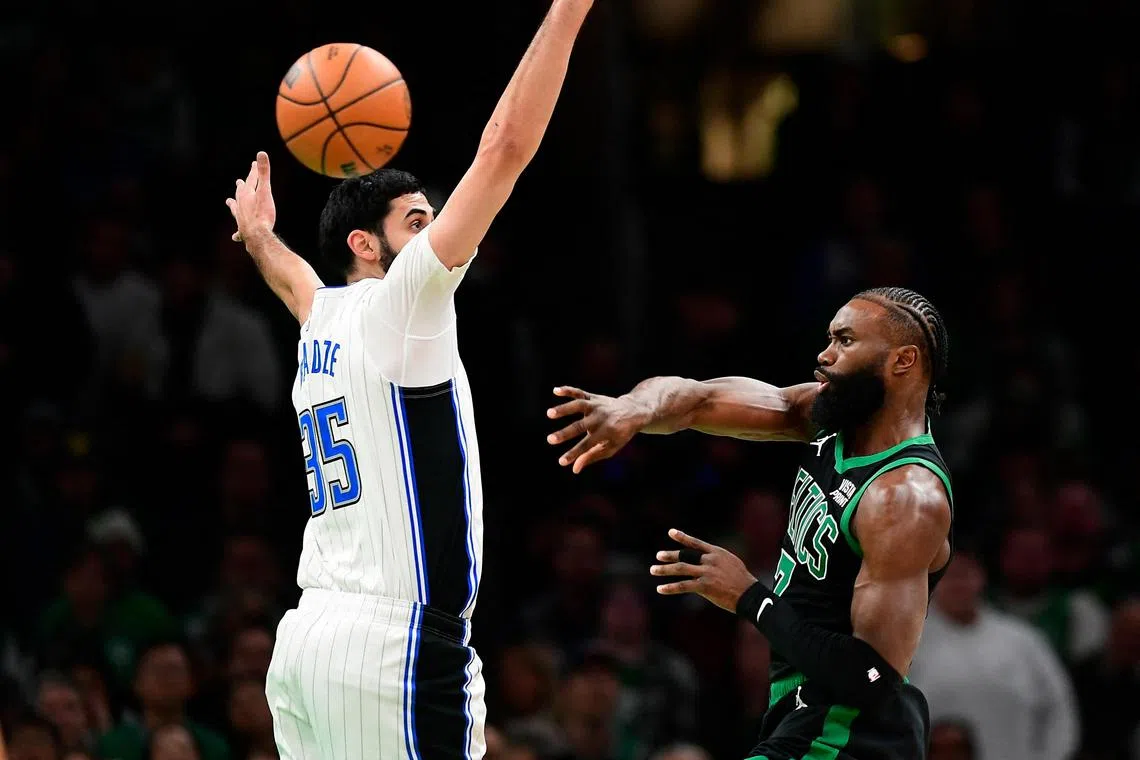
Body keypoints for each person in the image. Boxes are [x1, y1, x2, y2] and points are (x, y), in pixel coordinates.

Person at [223, 2, 596, 758]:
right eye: (417, 221)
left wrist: (259, 235)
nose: (438, 231)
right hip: (396, 649)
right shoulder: (406, 302)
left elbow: (291, 275)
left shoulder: (321, 317)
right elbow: (504, 150)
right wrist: (566, 13)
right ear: (366, 244)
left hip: (307, 643)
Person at [547, 287, 954, 760]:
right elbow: (699, 400)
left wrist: (749, 597)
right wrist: (635, 409)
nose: (824, 355)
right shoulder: (825, 418)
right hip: (805, 720)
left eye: (845, 342)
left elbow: (873, 677)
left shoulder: (905, 496)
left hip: (848, 737)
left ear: (902, 361)